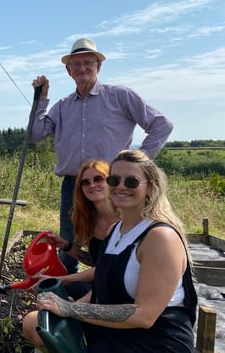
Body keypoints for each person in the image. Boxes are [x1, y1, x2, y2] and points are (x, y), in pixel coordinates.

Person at [31, 149, 197, 353]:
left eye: (131, 181)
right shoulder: (115, 231)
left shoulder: (160, 237)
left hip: (155, 347)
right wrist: (64, 305)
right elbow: (100, 284)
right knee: (35, 325)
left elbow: (144, 315)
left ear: (150, 187)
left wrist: (70, 309)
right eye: (114, 180)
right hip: (116, 333)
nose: (120, 186)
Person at [30, 37, 173, 275]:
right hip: (74, 184)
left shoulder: (120, 96)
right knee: (69, 241)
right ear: (68, 71)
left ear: (99, 66)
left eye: (88, 62)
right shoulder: (63, 106)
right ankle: (68, 291)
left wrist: (138, 165)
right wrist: (41, 98)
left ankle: (118, 285)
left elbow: (162, 125)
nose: (82, 68)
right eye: (76, 64)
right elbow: (34, 135)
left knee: (119, 238)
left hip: (113, 184)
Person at [22, 159, 118, 345]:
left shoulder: (123, 219)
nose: (92, 185)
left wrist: (66, 281)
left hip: (116, 290)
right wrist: (65, 246)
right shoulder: (90, 220)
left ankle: (78, 335)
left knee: (64, 287)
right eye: (85, 182)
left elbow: (110, 271)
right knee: (62, 289)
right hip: (102, 284)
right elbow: (96, 262)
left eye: (98, 179)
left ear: (111, 181)